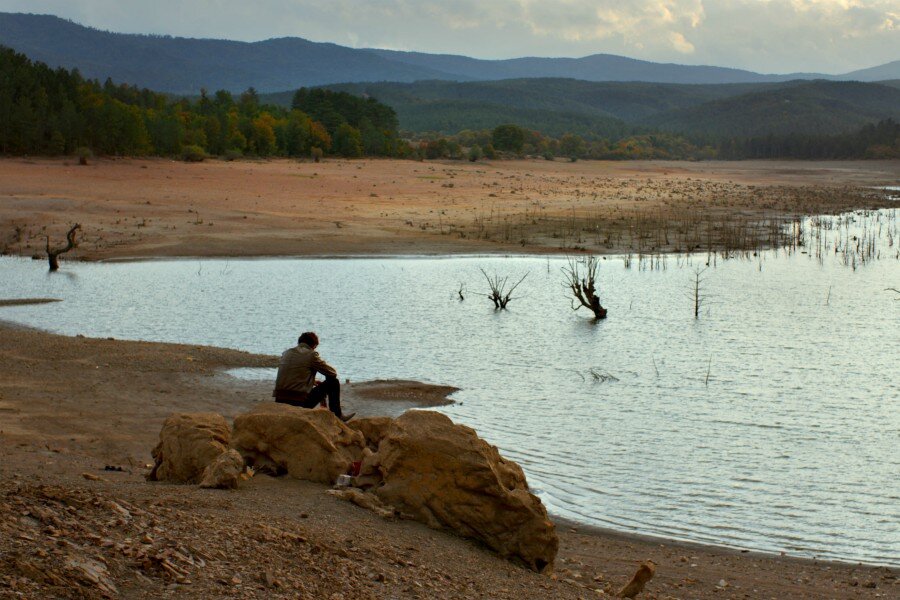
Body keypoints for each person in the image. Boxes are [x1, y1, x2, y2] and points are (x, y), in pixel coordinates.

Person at [272, 332, 355, 422]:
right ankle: (337, 415)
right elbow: (332, 373)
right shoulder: (311, 355)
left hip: (279, 400)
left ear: (299, 342)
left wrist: (313, 381)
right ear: (314, 345)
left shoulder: (286, 353)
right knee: (333, 382)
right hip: (298, 403)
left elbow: (293, 373)